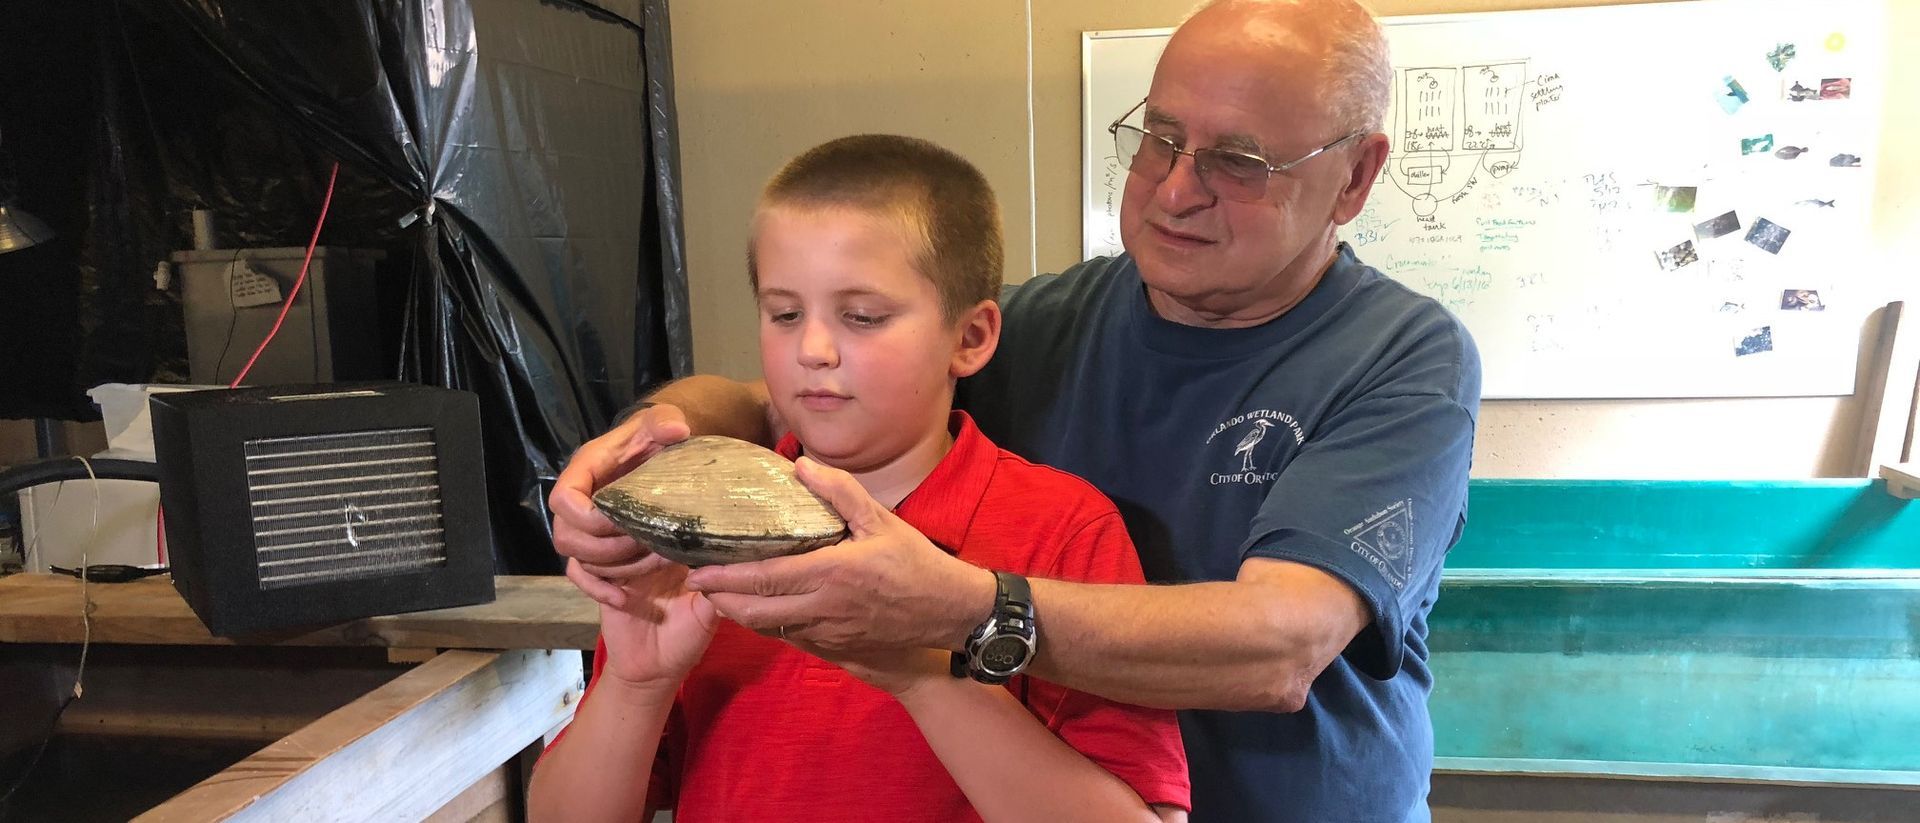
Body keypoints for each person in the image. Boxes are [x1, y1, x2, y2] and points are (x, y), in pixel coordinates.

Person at [550, 1, 1482, 820]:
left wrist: (948, 622)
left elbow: (1280, 649)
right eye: (1159, 138)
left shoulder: (1403, 359)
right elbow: (782, 398)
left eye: (1237, 162)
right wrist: (649, 447)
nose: (1175, 188)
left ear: (1356, 177)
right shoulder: (1048, 322)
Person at [528, 135, 1190, 822]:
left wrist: (920, 672)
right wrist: (637, 682)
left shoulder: (1060, 530)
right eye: (784, 314)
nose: (812, 350)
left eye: (862, 317)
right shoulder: (698, 527)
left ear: (971, 338)